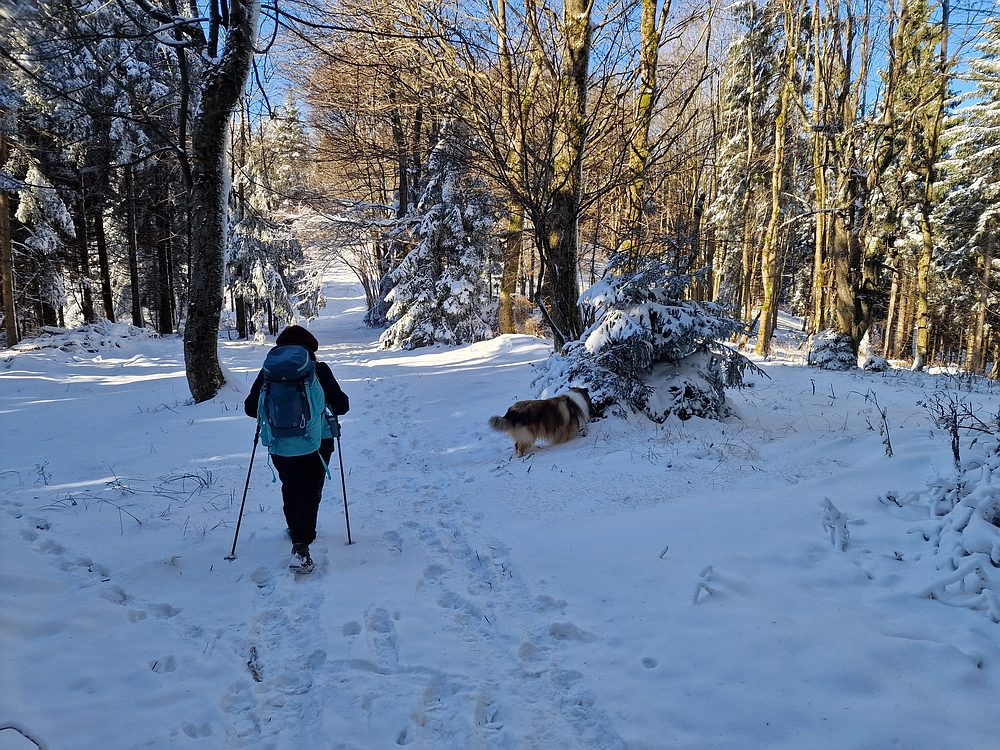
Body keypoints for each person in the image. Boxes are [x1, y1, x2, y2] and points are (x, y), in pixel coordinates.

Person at [244, 325, 349, 572]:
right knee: (310, 490)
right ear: (310, 349)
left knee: (290, 485)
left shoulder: (268, 373)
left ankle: (295, 528)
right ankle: (301, 545)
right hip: (318, 441)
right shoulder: (319, 370)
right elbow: (342, 406)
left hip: (280, 442)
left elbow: (251, 408)